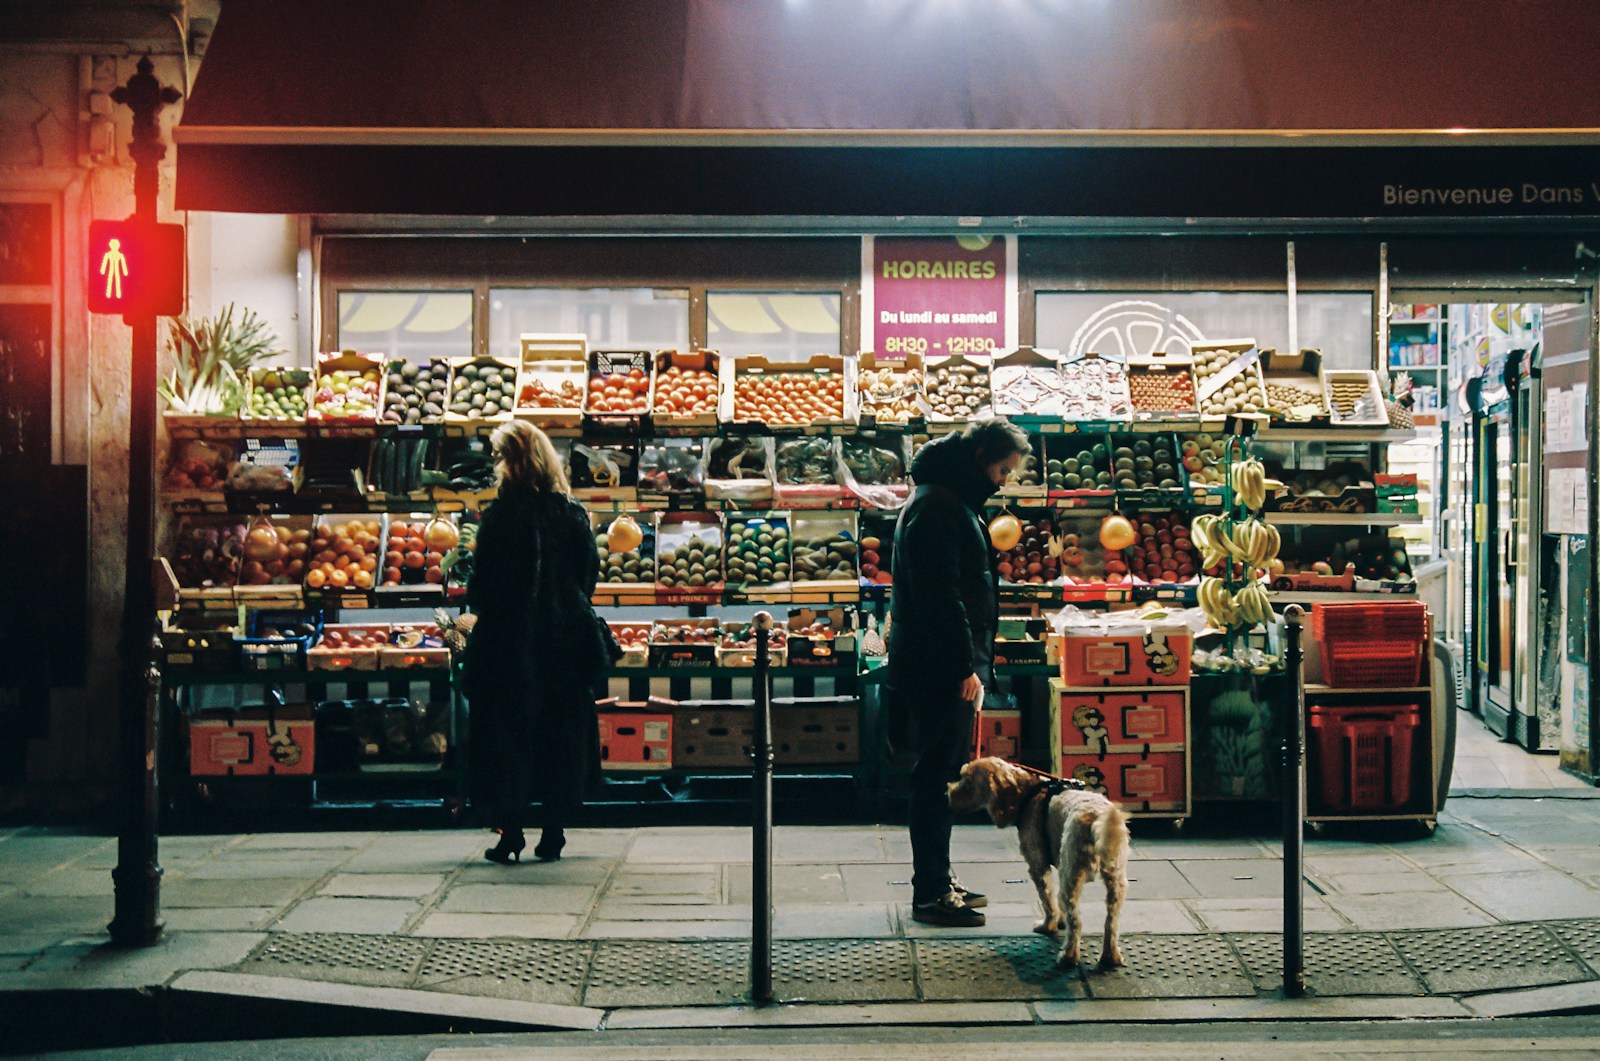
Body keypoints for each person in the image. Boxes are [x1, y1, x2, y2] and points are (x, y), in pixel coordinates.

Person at [887, 417, 1029, 926]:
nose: (1003, 480)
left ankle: (939, 878)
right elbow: (941, 598)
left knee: (940, 773)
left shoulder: (942, 500)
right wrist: (964, 665)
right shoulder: (939, 509)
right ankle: (929, 893)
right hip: (939, 666)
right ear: (979, 459)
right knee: (936, 777)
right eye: (1001, 468)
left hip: (936, 661)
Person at [461, 420, 617, 864]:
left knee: (506, 734)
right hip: (564, 642)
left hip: (508, 645)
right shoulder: (569, 512)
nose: (495, 466)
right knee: (559, 735)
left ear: (511, 463)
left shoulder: (501, 516)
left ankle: (510, 833)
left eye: (498, 457)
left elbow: (483, 586)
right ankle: (553, 832)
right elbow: (588, 577)